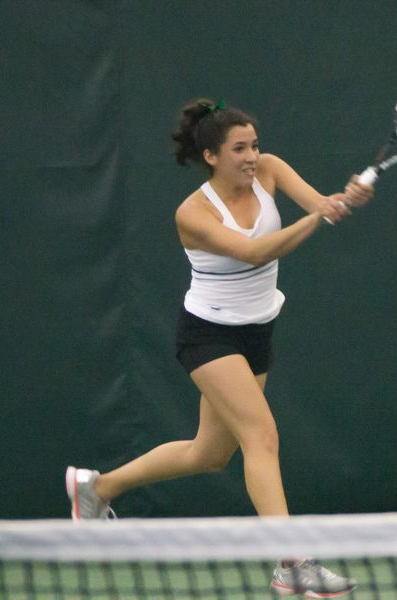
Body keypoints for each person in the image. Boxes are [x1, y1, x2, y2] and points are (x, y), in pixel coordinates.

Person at [65, 98, 372, 597]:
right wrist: (322, 217)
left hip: (257, 332)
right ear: (211, 156)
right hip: (208, 336)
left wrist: (344, 198)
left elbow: (319, 204)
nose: (251, 157)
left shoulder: (270, 170)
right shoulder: (193, 212)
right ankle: (292, 564)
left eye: (254, 145)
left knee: (208, 453)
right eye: (238, 149)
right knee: (262, 437)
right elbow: (253, 253)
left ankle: (97, 489)